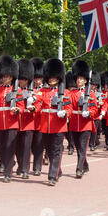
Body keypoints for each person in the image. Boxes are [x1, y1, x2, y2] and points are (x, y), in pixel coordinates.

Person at [0, 55, 24, 183]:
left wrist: (17, 110)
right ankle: (8, 162)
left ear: (12, 77)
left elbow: (21, 106)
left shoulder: (17, 90)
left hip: (11, 122)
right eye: (3, 76)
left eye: (7, 76)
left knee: (9, 147)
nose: (5, 78)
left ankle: (8, 173)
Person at [39, 58, 72, 186]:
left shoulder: (65, 92)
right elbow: (37, 103)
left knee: (56, 150)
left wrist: (65, 113)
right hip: (45, 126)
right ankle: (58, 170)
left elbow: (69, 108)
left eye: (54, 77)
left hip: (59, 126)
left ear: (59, 78)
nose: (52, 79)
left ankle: (52, 176)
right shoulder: (42, 91)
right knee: (49, 151)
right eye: (50, 77)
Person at [69, 60, 98, 178]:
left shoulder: (90, 94)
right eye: (78, 79)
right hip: (75, 122)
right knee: (78, 147)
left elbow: (95, 109)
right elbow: (69, 105)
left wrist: (89, 113)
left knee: (82, 146)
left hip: (86, 123)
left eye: (81, 79)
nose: (79, 80)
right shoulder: (72, 93)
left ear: (86, 80)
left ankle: (79, 169)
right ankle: (85, 164)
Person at [16, 59, 40, 179]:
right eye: (20, 79)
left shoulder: (35, 92)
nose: (21, 81)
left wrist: (32, 107)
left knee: (26, 147)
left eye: (23, 79)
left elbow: (39, 104)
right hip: (16, 122)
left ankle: (25, 169)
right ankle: (20, 165)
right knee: (17, 146)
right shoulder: (15, 91)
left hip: (29, 122)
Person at [30, 57, 45, 176]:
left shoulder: (45, 90)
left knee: (39, 145)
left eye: (39, 78)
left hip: (41, 121)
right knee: (31, 146)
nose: (37, 80)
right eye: (36, 78)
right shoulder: (29, 89)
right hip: (30, 121)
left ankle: (37, 167)